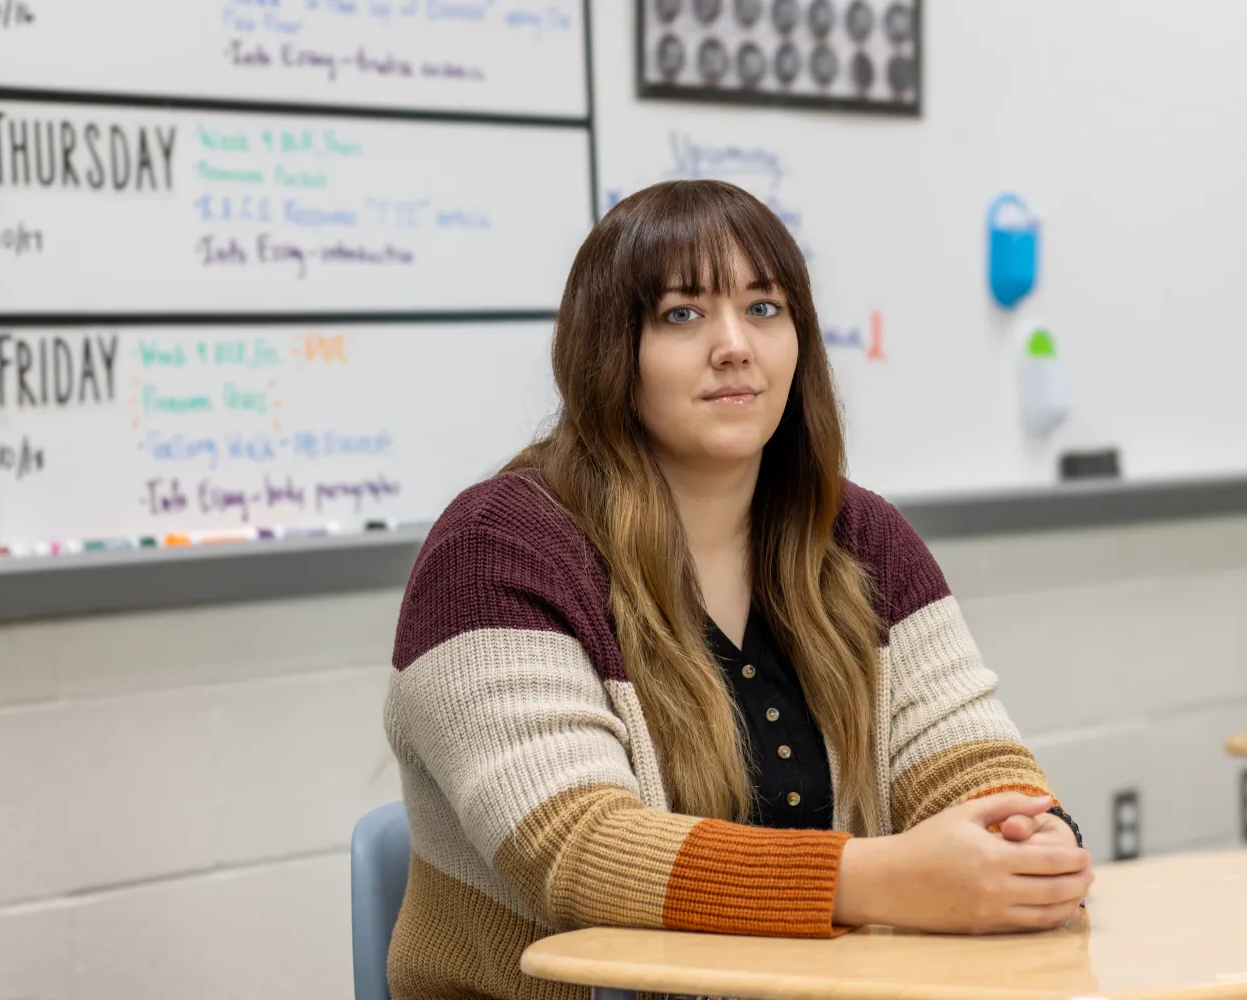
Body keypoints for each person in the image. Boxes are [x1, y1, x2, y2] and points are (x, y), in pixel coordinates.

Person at [384, 179, 1093, 1000]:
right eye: (682, 315)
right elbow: (573, 848)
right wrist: (878, 879)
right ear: (612, 352)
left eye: (764, 309)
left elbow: (967, 755)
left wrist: (1024, 841)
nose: (735, 346)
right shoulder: (492, 552)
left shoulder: (860, 535)